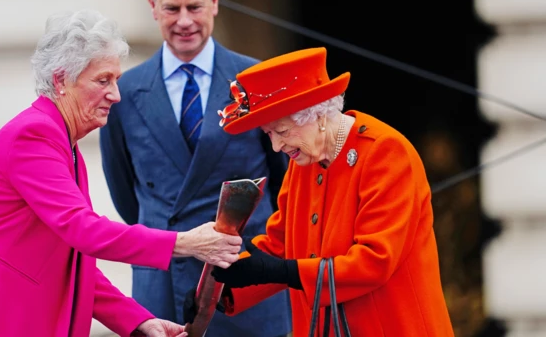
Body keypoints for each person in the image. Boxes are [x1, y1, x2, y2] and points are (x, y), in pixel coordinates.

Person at [0, 10, 244, 337]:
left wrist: (137, 320)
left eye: (116, 80)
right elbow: (84, 231)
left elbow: (74, 259)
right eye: (103, 81)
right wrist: (186, 243)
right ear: (61, 80)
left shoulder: (61, 140)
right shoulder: (34, 135)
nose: (116, 95)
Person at [186, 47, 455, 336]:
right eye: (268, 134)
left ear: (318, 115)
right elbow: (280, 246)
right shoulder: (303, 161)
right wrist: (218, 290)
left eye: (283, 131)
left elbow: (375, 260)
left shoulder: (385, 153)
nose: (276, 146)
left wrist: (285, 271)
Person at [99, 0, 291, 337]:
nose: (184, 21)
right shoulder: (125, 92)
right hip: (163, 289)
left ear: (215, 1)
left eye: (194, 6)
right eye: (172, 8)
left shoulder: (256, 79)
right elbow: (126, 196)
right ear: (153, 6)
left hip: (245, 281)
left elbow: (286, 181)